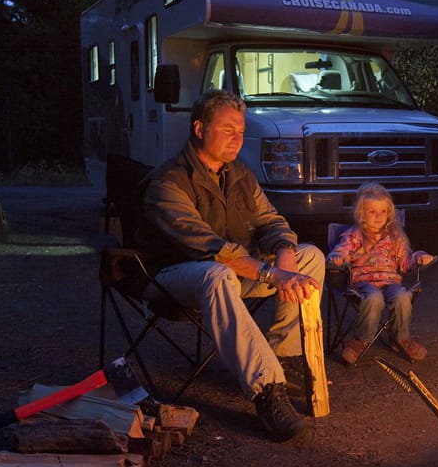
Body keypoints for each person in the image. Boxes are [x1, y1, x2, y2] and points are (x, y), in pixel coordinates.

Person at [135, 90, 325, 442]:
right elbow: (210, 249)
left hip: (232, 274)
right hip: (171, 276)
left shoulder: (238, 174)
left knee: (309, 256)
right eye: (226, 130)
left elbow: (271, 220)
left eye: (239, 131)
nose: (236, 139)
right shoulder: (167, 184)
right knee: (217, 272)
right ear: (199, 128)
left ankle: (282, 356)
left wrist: (284, 250)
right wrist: (272, 273)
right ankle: (268, 390)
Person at [327, 183, 437, 364]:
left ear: (389, 212)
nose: (379, 216)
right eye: (372, 212)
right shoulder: (355, 235)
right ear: (361, 214)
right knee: (374, 298)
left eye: (383, 212)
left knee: (402, 296)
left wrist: (419, 257)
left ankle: (400, 338)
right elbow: (341, 252)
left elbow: (405, 262)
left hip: (390, 283)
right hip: (363, 284)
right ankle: (361, 340)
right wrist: (337, 257)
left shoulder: (395, 236)